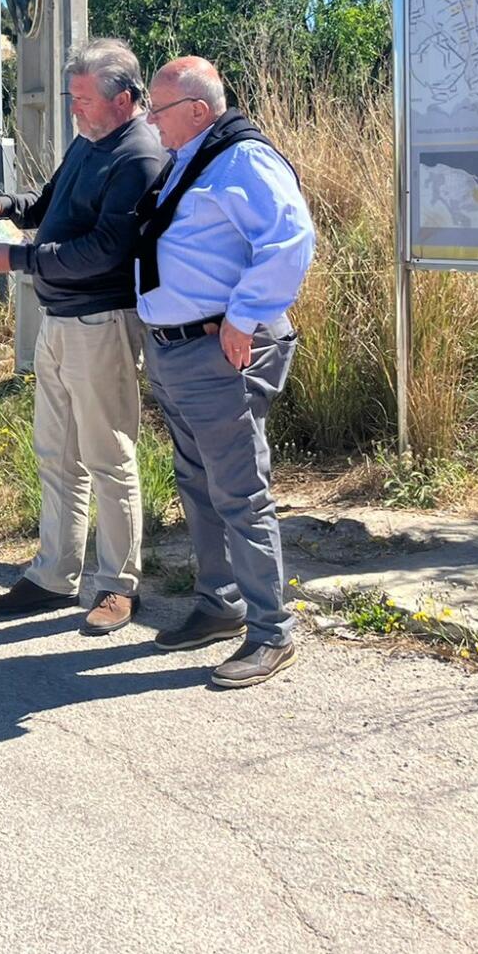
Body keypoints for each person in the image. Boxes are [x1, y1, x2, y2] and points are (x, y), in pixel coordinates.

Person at [0, 38, 169, 635]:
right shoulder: (90, 140)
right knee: (56, 455)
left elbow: (106, 250)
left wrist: (17, 259)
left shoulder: (139, 155)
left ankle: (119, 585)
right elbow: (49, 204)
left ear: (123, 99)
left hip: (101, 322)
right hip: (59, 319)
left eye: (83, 99)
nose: (74, 109)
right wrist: (4, 206)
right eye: (72, 97)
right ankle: (54, 575)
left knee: (108, 457)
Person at [134, 56, 316, 688]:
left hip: (220, 350)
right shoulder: (192, 159)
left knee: (239, 491)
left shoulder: (243, 160)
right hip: (177, 350)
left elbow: (291, 239)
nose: (150, 121)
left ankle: (271, 632)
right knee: (197, 482)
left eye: (157, 109)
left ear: (197, 110)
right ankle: (220, 604)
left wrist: (244, 317)